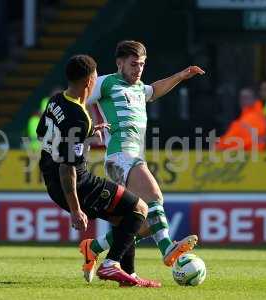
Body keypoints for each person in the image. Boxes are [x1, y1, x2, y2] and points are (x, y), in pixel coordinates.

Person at [80, 40, 204, 282]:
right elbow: (79, 100)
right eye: (134, 64)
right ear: (120, 63)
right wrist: (85, 127)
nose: (138, 69)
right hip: (121, 155)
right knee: (155, 196)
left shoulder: (139, 88)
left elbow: (155, 89)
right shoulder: (105, 83)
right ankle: (168, 248)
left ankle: (93, 248)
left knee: (140, 222)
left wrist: (180, 76)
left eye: (142, 65)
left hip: (132, 156)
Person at [37, 54, 160, 287]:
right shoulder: (78, 117)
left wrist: (89, 132)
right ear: (89, 81)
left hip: (51, 181)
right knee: (140, 209)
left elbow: (42, 133)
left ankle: (128, 275)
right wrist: (75, 210)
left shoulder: (55, 101)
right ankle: (109, 263)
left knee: (123, 218)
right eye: (95, 77)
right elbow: (67, 168)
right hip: (77, 184)